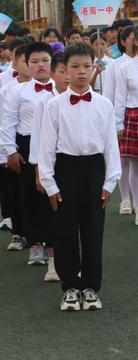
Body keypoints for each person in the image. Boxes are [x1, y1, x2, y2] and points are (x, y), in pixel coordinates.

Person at [38, 43, 121, 312]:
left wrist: (110, 182)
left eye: (87, 66)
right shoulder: (54, 105)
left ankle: (90, 287)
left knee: (93, 229)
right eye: (75, 67)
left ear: (94, 68)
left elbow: (111, 146)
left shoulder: (104, 104)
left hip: (95, 168)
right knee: (64, 229)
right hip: (65, 168)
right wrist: (49, 183)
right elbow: (46, 147)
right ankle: (70, 286)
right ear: (64, 71)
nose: (82, 72)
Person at [0, 42, 55, 266]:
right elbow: (8, 122)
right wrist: (10, 151)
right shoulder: (16, 91)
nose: (40, 65)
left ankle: (55, 244)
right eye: (34, 61)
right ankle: (35, 245)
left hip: (54, 147)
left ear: (52, 63)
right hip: (25, 144)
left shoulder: (60, 88)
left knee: (53, 196)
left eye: (45, 60)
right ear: (27, 65)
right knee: (29, 196)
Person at [28, 53, 69, 281]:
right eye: (61, 71)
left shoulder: (86, 98)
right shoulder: (45, 101)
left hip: (73, 163)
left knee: (73, 215)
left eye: (68, 70)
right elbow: (37, 138)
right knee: (51, 214)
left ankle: (72, 261)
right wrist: (39, 171)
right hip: (51, 165)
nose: (66, 76)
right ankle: (52, 264)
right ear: (53, 74)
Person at [114, 25, 138, 225]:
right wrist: (118, 124)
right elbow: (120, 97)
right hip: (134, 114)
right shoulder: (125, 67)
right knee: (136, 166)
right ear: (135, 41)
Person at [0, 44, 31, 252]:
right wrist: (6, 151)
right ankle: (18, 233)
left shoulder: (51, 87)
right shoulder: (6, 89)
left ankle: (40, 237)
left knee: (36, 194)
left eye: (39, 61)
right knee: (14, 192)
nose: (33, 66)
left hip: (39, 145)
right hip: (14, 145)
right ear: (15, 63)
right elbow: (4, 121)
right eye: (27, 61)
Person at [104, 25, 136, 215]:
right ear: (123, 42)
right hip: (122, 116)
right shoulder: (116, 65)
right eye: (131, 38)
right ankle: (125, 199)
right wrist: (115, 122)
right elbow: (110, 95)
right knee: (124, 160)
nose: (136, 41)